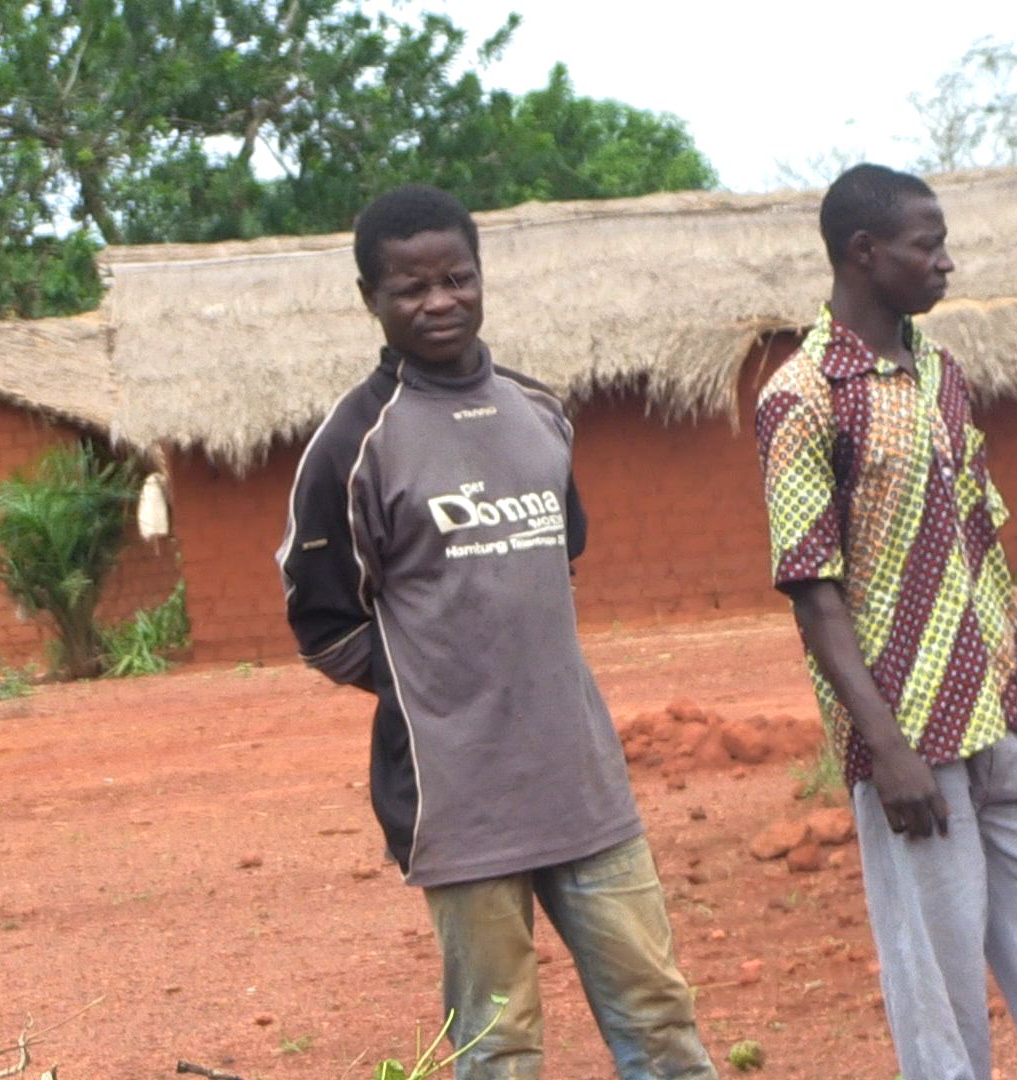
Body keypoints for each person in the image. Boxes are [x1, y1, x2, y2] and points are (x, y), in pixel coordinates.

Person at [275, 184, 717, 1080]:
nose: (440, 301)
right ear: (370, 299)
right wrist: (429, 682)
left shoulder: (538, 409)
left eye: (457, 279)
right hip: (459, 798)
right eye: (411, 288)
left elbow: (560, 554)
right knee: (497, 1042)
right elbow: (321, 622)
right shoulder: (354, 443)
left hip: (582, 781)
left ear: (480, 277)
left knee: (660, 1017)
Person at [754, 164, 1017, 1080]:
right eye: (926, 246)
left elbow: (981, 550)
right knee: (938, 988)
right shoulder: (802, 396)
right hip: (912, 736)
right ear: (866, 253)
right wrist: (885, 750)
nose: (946, 263)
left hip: (1003, 715)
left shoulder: (943, 376)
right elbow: (813, 592)